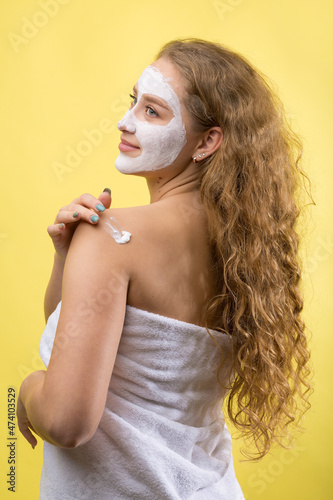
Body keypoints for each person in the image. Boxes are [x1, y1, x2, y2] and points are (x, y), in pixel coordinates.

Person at [17, 39, 311, 499]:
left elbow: (64, 422)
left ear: (207, 141)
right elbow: (76, 340)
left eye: (153, 111)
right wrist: (66, 258)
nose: (125, 121)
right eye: (133, 102)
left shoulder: (114, 235)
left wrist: (29, 389)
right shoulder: (246, 254)